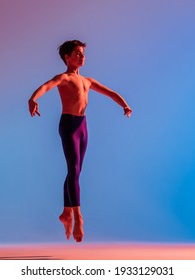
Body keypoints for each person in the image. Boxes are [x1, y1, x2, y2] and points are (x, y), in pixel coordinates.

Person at [28, 40, 132, 242]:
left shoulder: (88, 81)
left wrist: (125, 105)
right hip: (68, 125)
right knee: (74, 170)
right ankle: (78, 218)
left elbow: (110, 92)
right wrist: (33, 99)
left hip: (83, 126)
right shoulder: (64, 78)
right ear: (67, 57)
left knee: (75, 171)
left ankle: (66, 212)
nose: (82, 56)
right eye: (77, 53)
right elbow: (46, 86)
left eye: (83, 53)